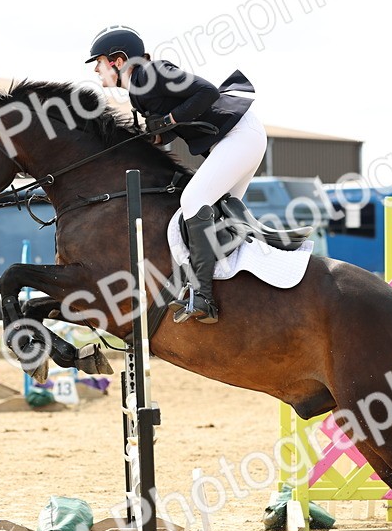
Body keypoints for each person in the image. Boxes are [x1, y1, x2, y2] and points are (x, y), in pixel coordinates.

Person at [87, 25, 267, 324]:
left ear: (118, 61)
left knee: (193, 200)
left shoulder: (152, 72)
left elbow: (206, 92)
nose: (96, 70)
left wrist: (169, 119)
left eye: (99, 62)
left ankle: (203, 296)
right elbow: (172, 127)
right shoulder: (138, 91)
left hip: (239, 135)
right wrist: (158, 134)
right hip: (238, 139)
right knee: (219, 215)